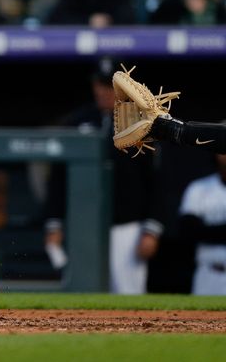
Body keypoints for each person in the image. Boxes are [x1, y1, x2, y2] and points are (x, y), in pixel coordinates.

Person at [44, 59, 162, 294]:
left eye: (111, 86)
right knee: (82, 295)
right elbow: (58, 179)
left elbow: (155, 180)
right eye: (101, 85)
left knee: (128, 294)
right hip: (83, 226)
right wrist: (54, 223)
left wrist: (152, 228)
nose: (105, 91)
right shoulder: (77, 122)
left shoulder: (140, 122)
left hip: (127, 227)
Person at [179, 150, 226, 295]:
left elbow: (201, 231)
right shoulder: (199, 188)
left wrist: (209, 230)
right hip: (209, 273)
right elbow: (189, 231)